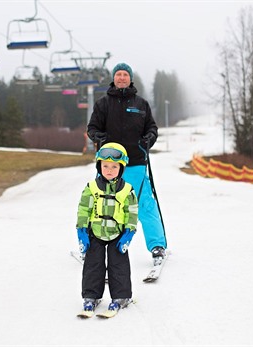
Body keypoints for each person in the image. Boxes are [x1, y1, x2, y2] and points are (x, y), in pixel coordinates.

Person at [86, 62, 167, 262]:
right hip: (109, 164)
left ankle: (157, 246)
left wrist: (148, 139)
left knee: (145, 205)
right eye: (118, 74)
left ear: (130, 79)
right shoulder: (103, 104)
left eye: (125, 75)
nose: (122, 77)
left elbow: (152, 129)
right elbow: (92, 128)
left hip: (136, 163)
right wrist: (100, 138)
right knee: (101, 205)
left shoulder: (141, 104)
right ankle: (91, 245)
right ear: (114, 78)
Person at [76, 142, 138, 314]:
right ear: (99, 166)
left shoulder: (127, 190)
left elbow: (132, 212)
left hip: (118, 235)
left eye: (114, 166)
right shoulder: (92, 188)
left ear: (121, 167)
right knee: (92, 265)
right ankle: (91, 296)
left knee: (118, 265)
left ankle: (121, 296)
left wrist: (129, 232)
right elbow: (83, 208)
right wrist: (82, 230)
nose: (109, 170)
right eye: (105, 166)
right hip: (95, 233)